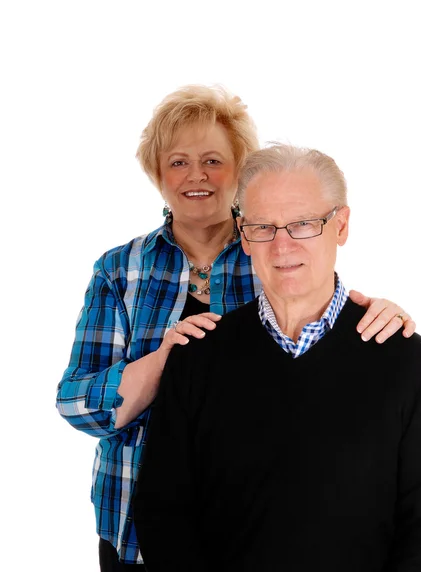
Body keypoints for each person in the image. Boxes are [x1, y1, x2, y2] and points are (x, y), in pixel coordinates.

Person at [56, 86, 415, 570]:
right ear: (157, 172)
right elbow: (77, 406)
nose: (196, 175)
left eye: (212, 160)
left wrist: (385, 316)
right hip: (134, 520)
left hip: (254, 523)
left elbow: (319, 331)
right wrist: (167, 360)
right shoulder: (121, 270)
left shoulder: (269, 250)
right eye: (177, 161)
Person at [133, 142, 421, 571]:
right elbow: (163, 512)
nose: (282, 247)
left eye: (303, 224)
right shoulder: (198, 357)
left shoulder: (404, 359)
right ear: (244, 236)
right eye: (263, 227)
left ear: (340, 226)